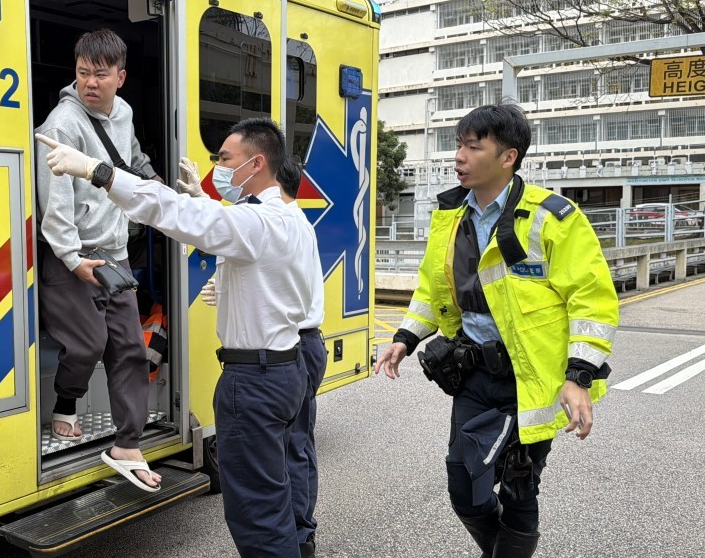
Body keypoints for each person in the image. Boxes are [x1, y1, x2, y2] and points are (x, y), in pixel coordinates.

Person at [36, 117, 315, 557]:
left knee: (257, 513)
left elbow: (173, 212)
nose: (218, 166)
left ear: (257, 163)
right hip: (286, 367)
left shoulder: (259, 223)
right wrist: (205, 205)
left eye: (225, 158)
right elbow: (235, 238)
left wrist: (98, 171)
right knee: (279, 487)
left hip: (256, 382)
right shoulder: (290, 219)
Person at [375, 103, 619, 558]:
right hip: (473, 374)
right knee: (463, 486)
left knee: (520, 488)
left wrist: (579, 376)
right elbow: (434, 286)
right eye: (458, 146)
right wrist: (405, 338)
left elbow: (592, 299)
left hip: (531, 379)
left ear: (508, 157)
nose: (459, 157)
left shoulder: (552, 217)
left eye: (473, 146)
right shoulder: (450, 215)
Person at [34, 28, 161, 492]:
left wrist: (152, 180)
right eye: (83, 72)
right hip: (71, 254)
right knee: (87, 344)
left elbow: (129, 157)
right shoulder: (61, 124)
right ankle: (66, 403)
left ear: (120, 77)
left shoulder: (123, 113)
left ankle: (128, 445)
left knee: (129, 348)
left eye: (100, 75)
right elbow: (55, 200)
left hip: (114, 253)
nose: (90, 82)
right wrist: (71, 257)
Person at [181, 157, 326, 558]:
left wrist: (195, 199)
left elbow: (228, 228)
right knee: (292, 449)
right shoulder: (292, 221)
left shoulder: (276, 221)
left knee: (287, 453)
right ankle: (299, 536)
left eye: (230, 162)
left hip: (290, 346)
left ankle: (296, 536)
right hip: (299, 347)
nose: (230, 173)